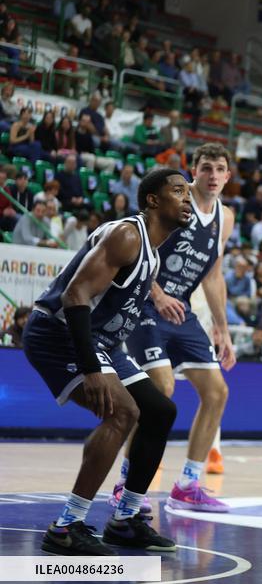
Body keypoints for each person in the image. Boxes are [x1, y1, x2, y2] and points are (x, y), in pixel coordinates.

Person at [21, 168, 190, 555]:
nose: (186, 198)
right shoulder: (127, 235)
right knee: (123, 414)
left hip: (102, 342)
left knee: (160, 411)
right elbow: (76, 294)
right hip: (58, 333)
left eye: (187, 193)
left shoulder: (152, 252)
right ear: (152, 200)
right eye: (178, 191)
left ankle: (126, 520)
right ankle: (67, 526)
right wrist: (92, 368)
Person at [121, 144, 236, 513]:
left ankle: (188, 483)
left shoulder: (226, 217)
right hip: (146, 303)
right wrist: (157, 294)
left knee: (217, 392)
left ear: (228, 176)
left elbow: (214, 276)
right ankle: (126, 482)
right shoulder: (175, 202)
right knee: (161, 389)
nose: (213, 175)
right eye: (206, 168)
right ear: (193, 172)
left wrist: (222, 329)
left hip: (182, 312)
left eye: (220, 169)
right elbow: (140, 249)